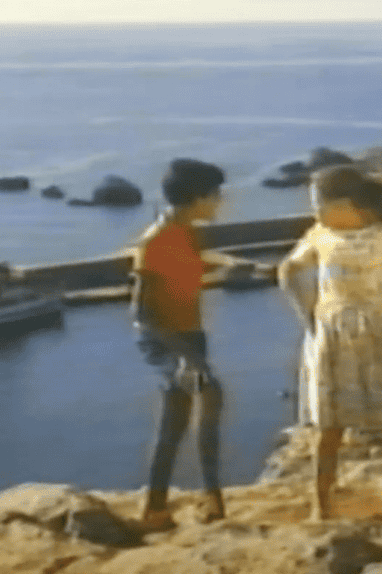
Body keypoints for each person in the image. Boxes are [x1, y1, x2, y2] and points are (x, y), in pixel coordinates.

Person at [278, 165, 382, 520]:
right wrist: (307, 315)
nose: (315, 211)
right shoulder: (319, 235)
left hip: (374, 331)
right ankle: (320, 506)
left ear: (347, 203)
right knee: (329, 425)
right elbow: (287, 270)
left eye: (319, 203)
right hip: (330, 334)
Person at [130, 158, 228, 531]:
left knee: (188, 411)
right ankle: (197, 501)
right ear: (198, 197)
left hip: (189, 333)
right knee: (197, 401)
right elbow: (143, 314)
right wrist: (188, 358)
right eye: (216, 196)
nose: (220, 203)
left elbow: (183, 276)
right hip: (164, 338)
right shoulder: (155, 240)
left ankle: (172, 504)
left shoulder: (187, 233)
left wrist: (220, 269)